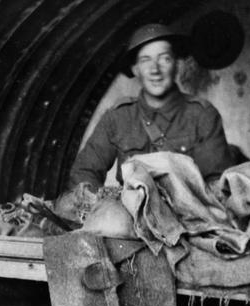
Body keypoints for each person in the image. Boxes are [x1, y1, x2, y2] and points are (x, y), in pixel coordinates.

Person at [68, 23, 233, 190]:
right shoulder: (117, 117)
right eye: (145, 60)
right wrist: (101, 205)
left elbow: (218, 184)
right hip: (132, 212)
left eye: (164, 58)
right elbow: (83, 173)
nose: (155, 69)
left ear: (177, 65)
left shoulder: (202, 115)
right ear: (135, 69)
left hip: (187, 213)